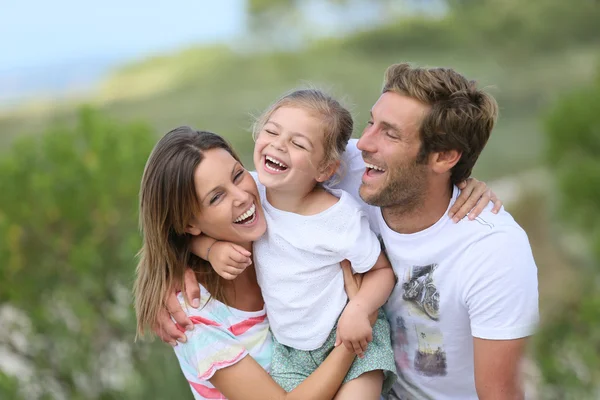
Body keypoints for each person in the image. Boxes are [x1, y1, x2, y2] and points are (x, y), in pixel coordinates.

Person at [156, 62, 537, 400]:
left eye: (389, 133)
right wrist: (182, 261)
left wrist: (359, 312)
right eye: (372, 121)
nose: (363, 144)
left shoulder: (493, 252)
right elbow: (199, 200)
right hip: (316, 355)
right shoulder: (349, 165)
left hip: (367, 362)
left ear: (444, 158)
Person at [189, 89, 398, 399]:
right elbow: (189, 223)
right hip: (290, 349)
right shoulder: (249, 191)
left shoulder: (338, 216)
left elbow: (382, 271)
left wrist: (360, 309)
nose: (278, 144)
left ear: (326, 169)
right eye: (271, 131)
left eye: (298, 143)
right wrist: (208, 249)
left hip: (351, 333)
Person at [134, 127, 368, 400]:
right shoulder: (195, 315)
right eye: (216, 197)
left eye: (237, 175)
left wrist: (206, 247)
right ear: (188, 223)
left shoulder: (273, 209)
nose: (243, 196)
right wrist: (359, 328)